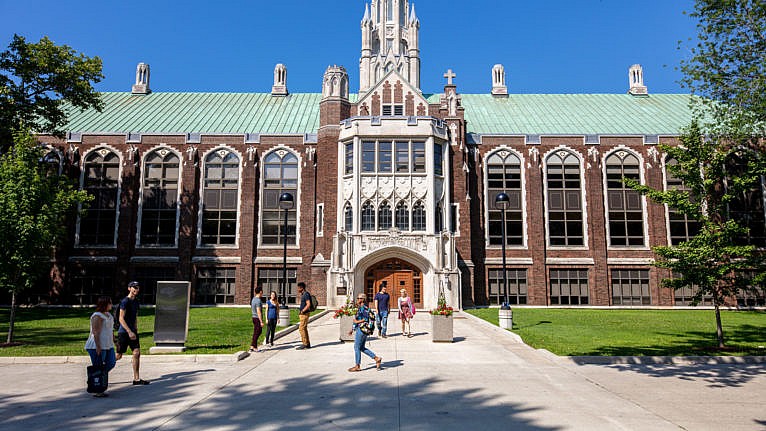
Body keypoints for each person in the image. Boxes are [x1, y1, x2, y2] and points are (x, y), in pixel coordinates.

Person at [116, 280, 149, 385]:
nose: (136, 289)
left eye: (138, 287)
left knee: (136, 353)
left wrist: (135, 328)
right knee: (118, 355)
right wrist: (129, 331)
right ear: (129, 288)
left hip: (133, 332)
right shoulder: (125, 301)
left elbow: (135, 316)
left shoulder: (136, 301)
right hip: (124, 332)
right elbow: (121, 318)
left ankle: (136, 379)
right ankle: (101, 371)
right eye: (134, 287)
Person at [84, 296, 117, 397]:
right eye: (110, 303)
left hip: (108, 345)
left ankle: (94, 378)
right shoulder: (97, 316)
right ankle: (98, 389)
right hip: (96, 346)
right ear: (104, 304)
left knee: (111, 362)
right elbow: (95, 332)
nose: (111, 305)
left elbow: (110, 330)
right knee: (98, 367)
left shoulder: (108, 315)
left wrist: (115, 341)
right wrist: (98, 346)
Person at [347, 293, 382, 372]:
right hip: (363, 330)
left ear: (363, 299)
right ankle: (377, 358)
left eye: (359, 298)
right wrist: (352, 329)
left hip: (362, 329)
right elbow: (358, 318)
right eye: (357, 298)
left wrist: (357, 321)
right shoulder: (360, 308)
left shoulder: (364, 308)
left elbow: (365, 319)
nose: (357, 299)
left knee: (356, 347)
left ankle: (357, 366)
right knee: (361, 347)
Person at [296, 282, 311, 349]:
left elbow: (308, 304)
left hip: (304, 314)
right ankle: (307, 343)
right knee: (304, 328)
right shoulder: (304, 294)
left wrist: (302, 311)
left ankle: (304, 343)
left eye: (298, 288)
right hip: (303, 314)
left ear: (301, 288)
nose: (297, 289)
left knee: (301, 328)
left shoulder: (306, 294)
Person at [249, 286, 264, 352]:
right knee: (258, 332)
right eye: (262, 291)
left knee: (256, 332)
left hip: (253, 317)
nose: (262, 292)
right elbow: (258, 311)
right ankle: (254, 347)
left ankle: (252, 346)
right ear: (260, 292)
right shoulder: (258, 300)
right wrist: (261, 321)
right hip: (257, 318)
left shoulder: (253, 299)